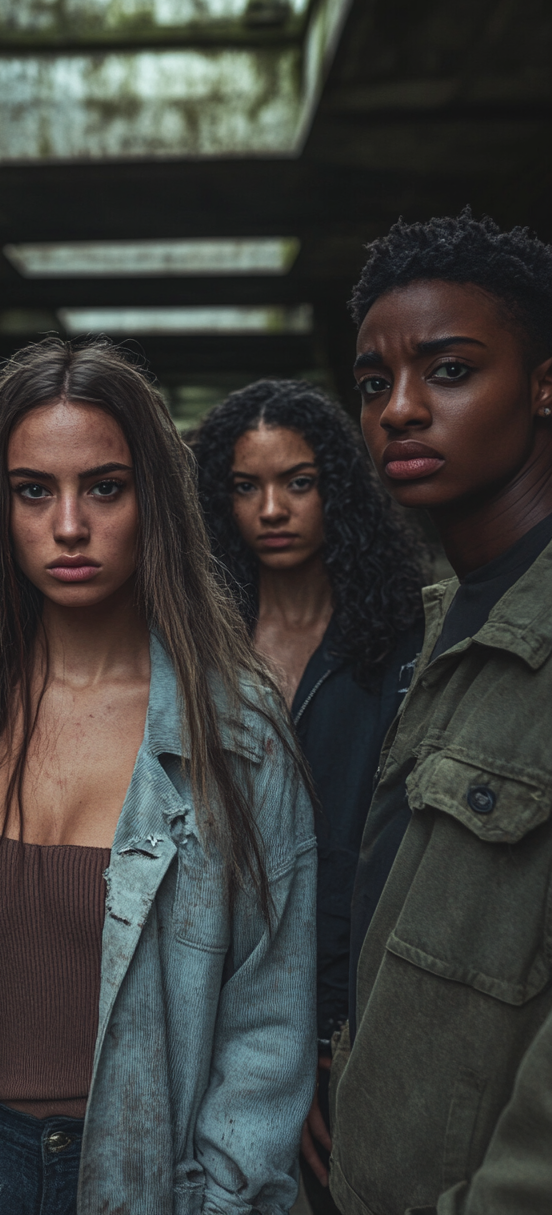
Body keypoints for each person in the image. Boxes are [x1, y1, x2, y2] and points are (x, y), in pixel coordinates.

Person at [0, 338, 318, 1215]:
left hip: (149, 1179)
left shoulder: (237, 736)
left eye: (104, 487)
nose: (68, 525)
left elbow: (268, 1023)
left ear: (153, 502)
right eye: (33, 491)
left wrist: (223, 1201)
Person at [329, 209, 552, 1214]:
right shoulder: (443, 622)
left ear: (543, 383)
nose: (398, 410)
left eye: (449, 371)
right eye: (374, 382)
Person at [193, 380, 427, 1213]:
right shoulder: (192, 643)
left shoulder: (401, 645)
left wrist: (342, 1043)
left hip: (349, 1015)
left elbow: (391, 862)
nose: (273, 509)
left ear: (337, 487)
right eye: (246, 486)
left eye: (298, 481)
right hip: (211, 1002)